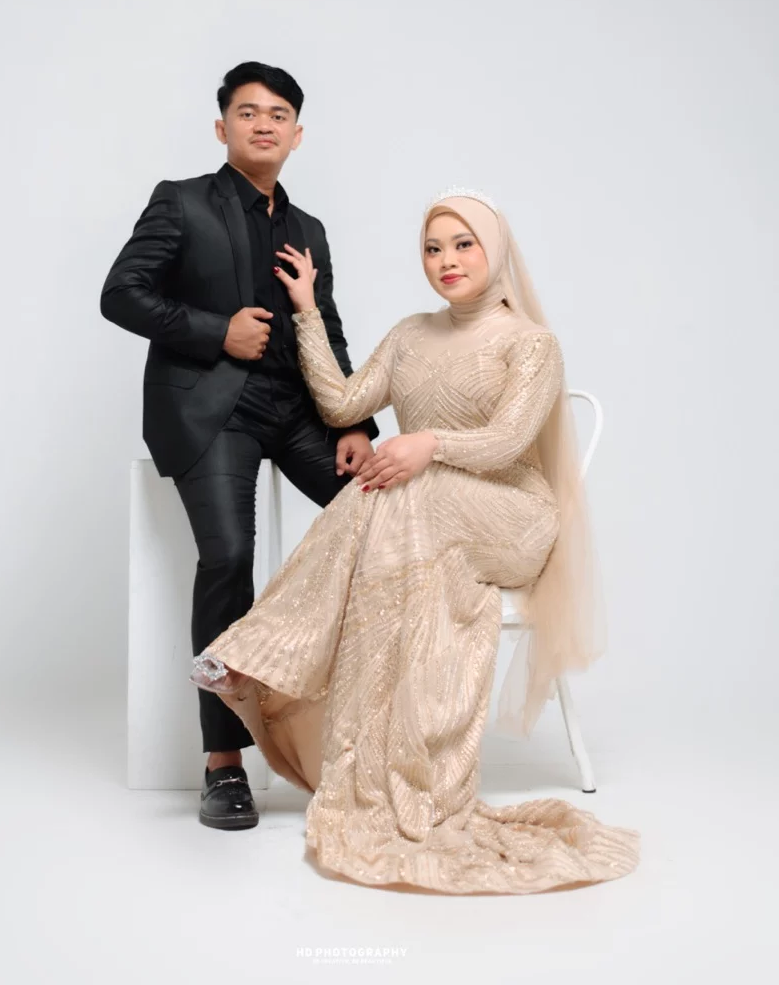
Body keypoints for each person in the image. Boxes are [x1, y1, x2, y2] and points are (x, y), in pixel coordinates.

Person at [189, 190, 640, 894]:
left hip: (512, 515)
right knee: (390, 487)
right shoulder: (409, 335)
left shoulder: (531, 343)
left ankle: (268, 648)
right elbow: (342, 404)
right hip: (424, 516)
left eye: (463, 244)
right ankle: (339, 714)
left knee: (399, 483)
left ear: (494, 250)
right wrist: (306, 310)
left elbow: (506, 444)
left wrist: (427, 444)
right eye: (432, 248)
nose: (446, 261)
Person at [100, 61, 378, 830]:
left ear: (297, 134)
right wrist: (215, 330)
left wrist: (353, 422)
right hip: (213, 408)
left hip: (298, 409)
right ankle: (223, 764)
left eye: (278, 114)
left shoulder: (309, 229)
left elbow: (329, 328)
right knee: (228, 557)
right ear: (222, 127)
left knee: (387, 511)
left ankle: (353, 728)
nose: (263, 124)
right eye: (248, 112)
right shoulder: (182, 201)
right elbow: (121, 293)